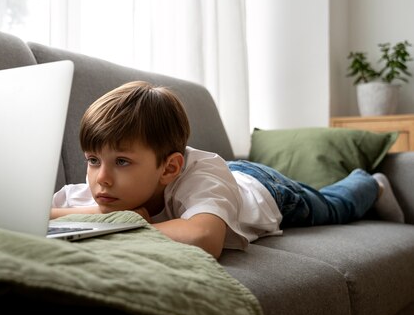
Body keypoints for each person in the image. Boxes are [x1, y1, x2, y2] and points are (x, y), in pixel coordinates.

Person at [51, 81, 404, 258]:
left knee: (332, 206)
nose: (102, 178)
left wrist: (127, 221)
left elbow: (204, 238)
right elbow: (37, 215)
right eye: (93, 160)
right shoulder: (100, 190)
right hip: (227, 180)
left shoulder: (201, 175)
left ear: (168, 168)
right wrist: (95, 211)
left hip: (262, 189)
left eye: (122, 162)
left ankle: (369, 183)